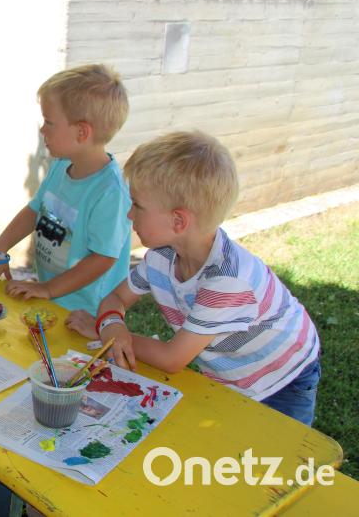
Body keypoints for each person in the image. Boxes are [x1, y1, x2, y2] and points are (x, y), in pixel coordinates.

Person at [71, 131, 321, 425]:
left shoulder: (227, 282)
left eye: (137, 205)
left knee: (272, 449)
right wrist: (111, 326)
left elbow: (172, 359)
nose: (129, 214)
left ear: (178, 221)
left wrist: (108, 336)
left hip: (283, 377)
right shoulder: (162, 255)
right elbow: (116, 297)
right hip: (230, 369)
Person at [0, 64, 131, 317]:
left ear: (82, 132)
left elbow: (103, 258)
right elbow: (34, 211)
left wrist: (48, 288)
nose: (42, 130)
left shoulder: (110, 192)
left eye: (49, 122)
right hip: (53, 299)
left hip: (87, 312)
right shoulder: (61, 166)